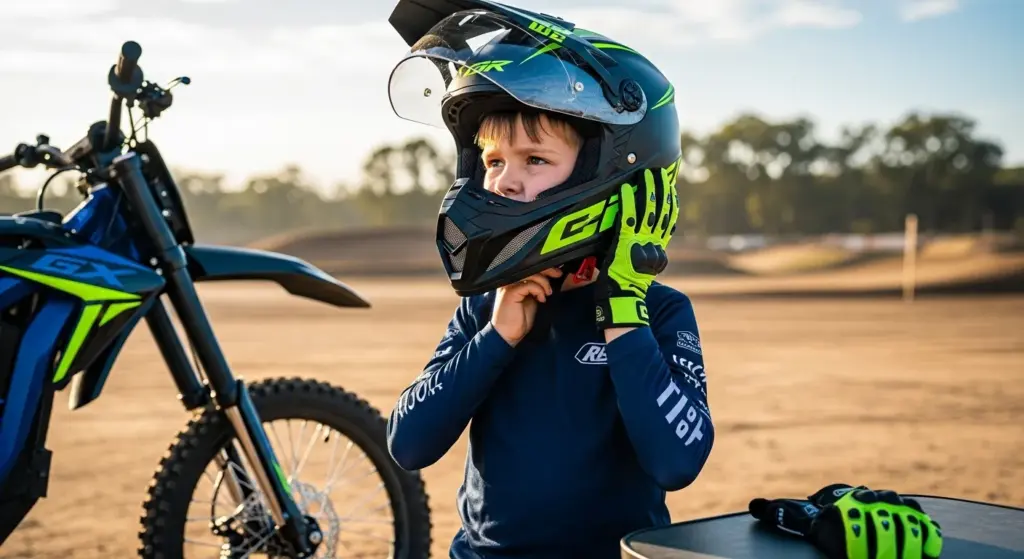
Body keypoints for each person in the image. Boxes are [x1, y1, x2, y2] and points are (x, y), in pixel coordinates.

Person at [383, 2, 713, 558]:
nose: (505, 182)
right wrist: (497, 338)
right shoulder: (486, 308)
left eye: (535, 160)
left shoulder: (661, 312)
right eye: (492, 162)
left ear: (612, 173)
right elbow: (409, 442)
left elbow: (676, 462)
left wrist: (624, 309)